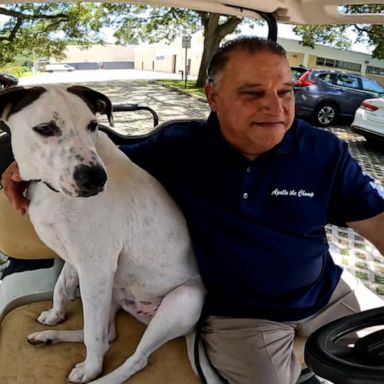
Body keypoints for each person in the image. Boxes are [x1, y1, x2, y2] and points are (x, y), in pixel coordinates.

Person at [2, 37, 384, 384]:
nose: (275, 107)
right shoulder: (177, 147)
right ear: (213, 98)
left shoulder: (324, 150)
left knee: (366, 363)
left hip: (328, 293)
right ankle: (310, 359)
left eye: (285, 91)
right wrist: (24, 168)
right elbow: (103, 167)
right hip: (246, 317)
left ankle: (313, 357)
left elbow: (377, 222)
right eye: (253, 93)